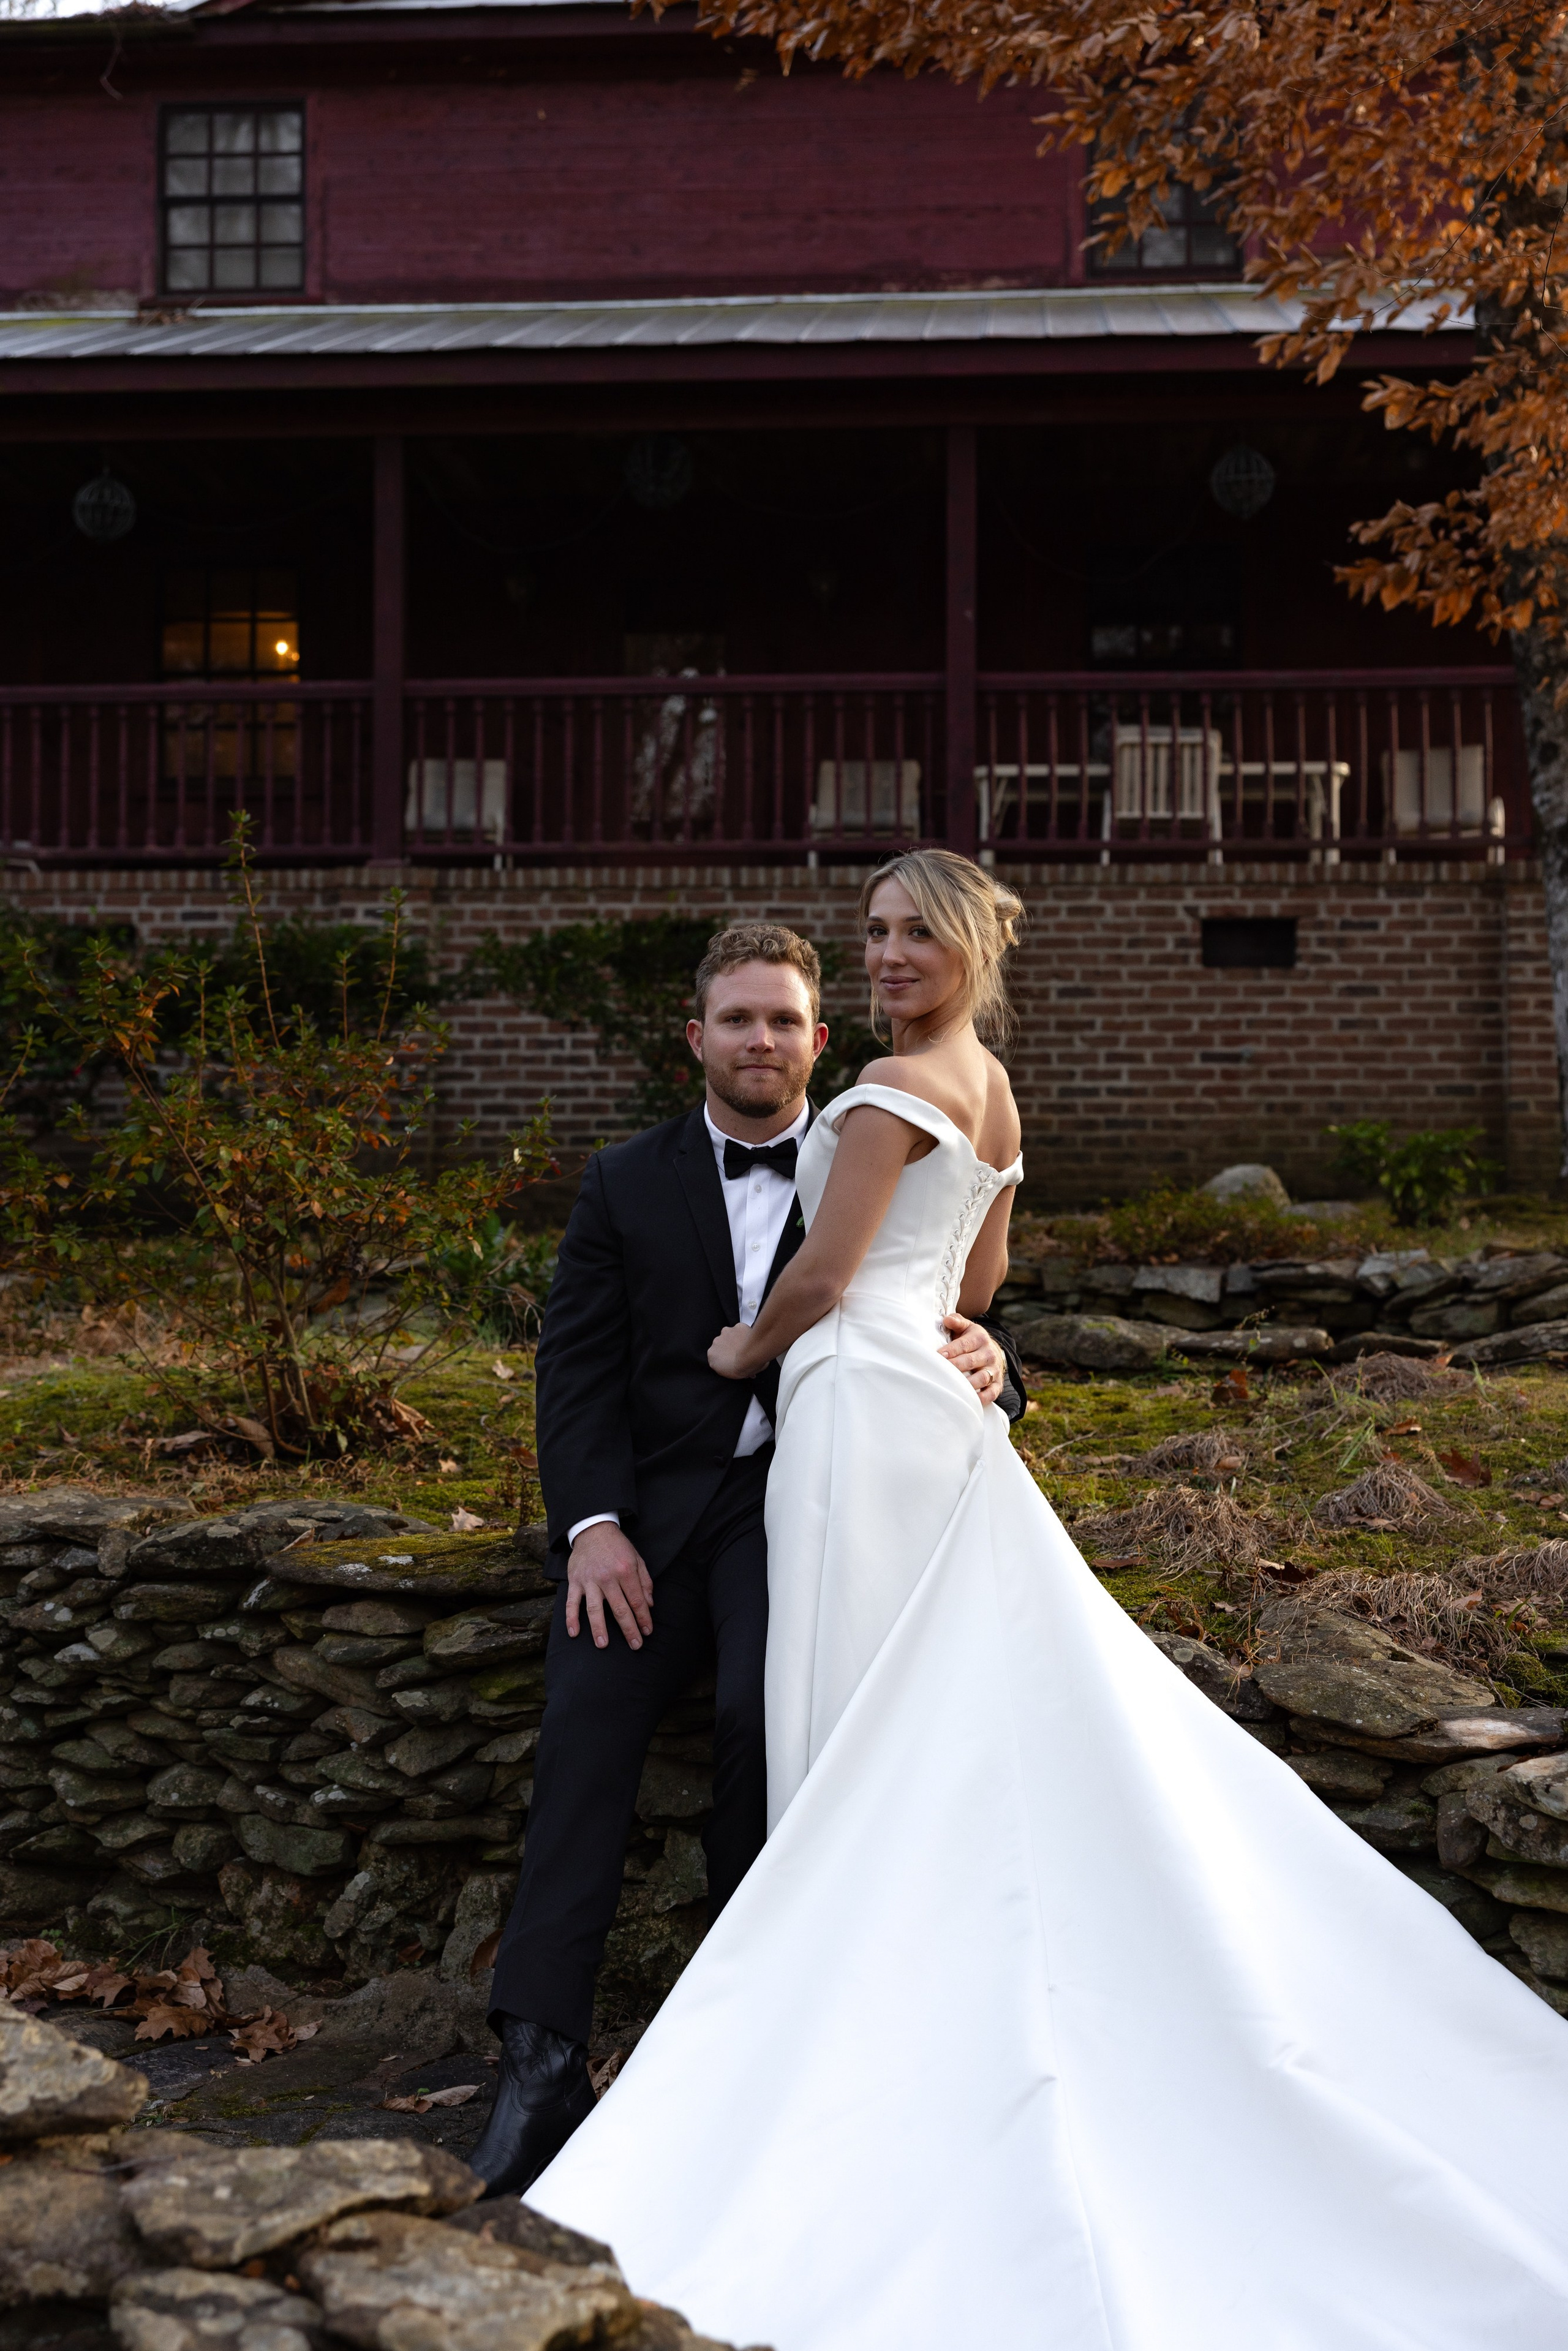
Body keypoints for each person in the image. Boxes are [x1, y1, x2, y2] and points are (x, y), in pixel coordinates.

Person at [527, 848, 1568, 2351]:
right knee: (934, 1690)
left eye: (908, 935)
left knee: (856, 1707)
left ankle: (848, 2021)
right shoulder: (992, 1086)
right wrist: (959, 1337)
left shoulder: (886, 1085)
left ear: (962, 945)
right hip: (917, 1403)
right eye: (871, 932)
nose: (884, 956)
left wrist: (737, 1357)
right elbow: (985, 1273)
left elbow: (822, 1273)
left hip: (851, 1417)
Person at [469, 919, 1024, 2196]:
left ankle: (747, 2044)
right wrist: (593, 1525)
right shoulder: (622, 1179)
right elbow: (574, 1369)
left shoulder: (869, 1140)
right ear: (696, 1037)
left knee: (762, 1729)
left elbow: (936, 1288)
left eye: (782, 1019)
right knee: (587, 1719)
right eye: (737, 1018)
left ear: (818, 1041)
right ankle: (542, 2057)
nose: (760, 1039)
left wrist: (1003, 1372)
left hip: (806, 1501)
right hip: (652, 1519)